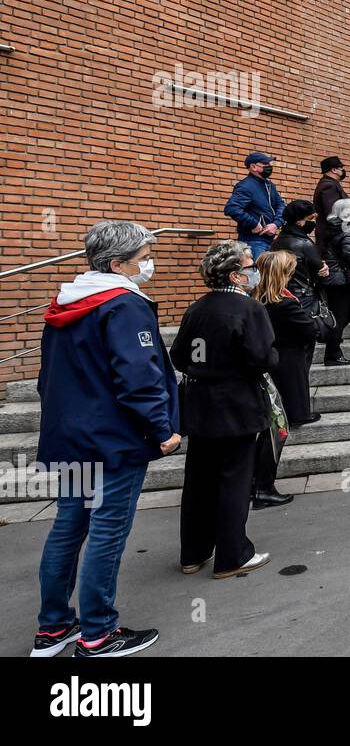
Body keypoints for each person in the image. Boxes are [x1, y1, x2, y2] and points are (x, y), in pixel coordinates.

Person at [31, 221, 181, 659]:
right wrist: (161, 427)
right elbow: (139, 376)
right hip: (114, 438)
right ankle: (98, 633)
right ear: (117, 264)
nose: (147, 265)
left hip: (72, 435)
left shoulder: (66, 302)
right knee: (107, 531)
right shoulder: (123, 305)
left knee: (68, 526)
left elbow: (49, 377)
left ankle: (53, 627)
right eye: (141, 259)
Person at [171, 240, 276, 580]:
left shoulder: (197, 308)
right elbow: (262, 357)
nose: (254, 271)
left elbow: (178, 356)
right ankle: (233, 554)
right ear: (236, 274)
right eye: (249, 265)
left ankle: (194, 552)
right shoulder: (248, 309)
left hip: (200, 405)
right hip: (236, 404)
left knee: (199, 479)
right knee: (235, 478)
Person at [252, 249, 318, 509]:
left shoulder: (255, 300)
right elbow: (309, 330)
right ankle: (263, 488)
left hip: (270, 366)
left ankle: (255, 483)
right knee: (276, 431)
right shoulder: (284, 303)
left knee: (268, 430)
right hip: (286, 369)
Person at [320, 198, 350, 365]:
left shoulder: (335, 227)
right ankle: (333, 353)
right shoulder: (348, 229)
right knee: (340, 314)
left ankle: (333, 339)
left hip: (338, 277)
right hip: (341, 278)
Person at [223, 151, 284, 258]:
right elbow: (231, 208)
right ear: (253, 167)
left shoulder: (269, 185)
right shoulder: (246, 186)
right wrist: (254, 224)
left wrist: (276, 224)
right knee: (256, 274)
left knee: (266, 274)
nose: (270, 167)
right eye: (266, 164)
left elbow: (281, 205)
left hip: (269, 241)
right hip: (253, 242)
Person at [313, 156, 349, 251]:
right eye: (341, 168)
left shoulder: (330, 184)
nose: (343, 171)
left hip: (332, 239)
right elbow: (333, 215)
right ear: (334, 170)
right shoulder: (329, 186)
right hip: (331, 241)